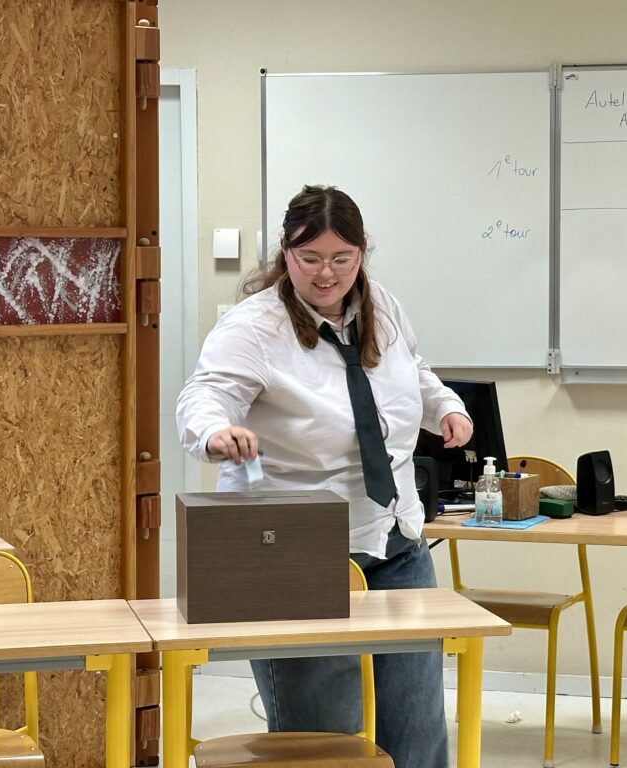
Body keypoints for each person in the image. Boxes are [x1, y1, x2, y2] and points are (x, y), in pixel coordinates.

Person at [176, 184, 473, 768]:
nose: (326, 274)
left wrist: (445, 406)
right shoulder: (254, 326)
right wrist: (215, 432)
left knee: (415, 726)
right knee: (326, 738)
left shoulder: (381, 304)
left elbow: (411, 365)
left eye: (342, 259)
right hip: (295, 550)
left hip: (394, 538)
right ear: (285, 253)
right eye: (309, 258)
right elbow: (205, 394)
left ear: (362, 253)